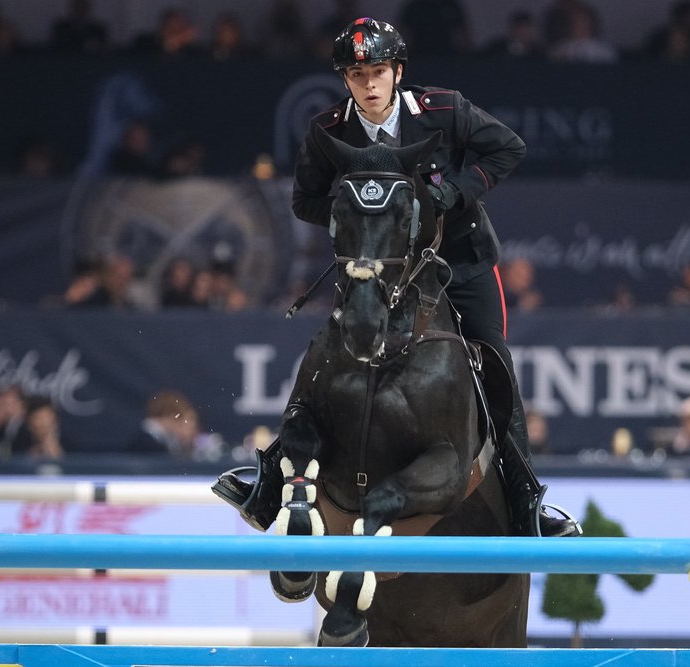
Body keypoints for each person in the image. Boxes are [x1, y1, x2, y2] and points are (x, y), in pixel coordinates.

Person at [217, 18, 579, 538]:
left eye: (378, 71)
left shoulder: (442, 109)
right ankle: (272, 477)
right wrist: (359, 219)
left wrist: (454, 191)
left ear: (398, 72)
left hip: (459, 258)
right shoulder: (328, 131)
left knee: (494, 359)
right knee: (327, 351)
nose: (369, 83)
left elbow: (508, 148)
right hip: (379, 265)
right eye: (357, 73)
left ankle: (525, 499)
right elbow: (304, 202)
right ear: (345, 78)